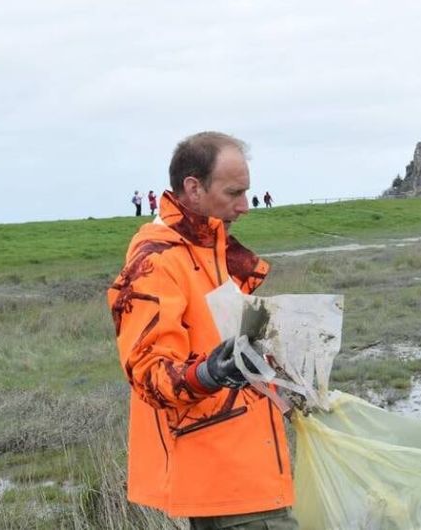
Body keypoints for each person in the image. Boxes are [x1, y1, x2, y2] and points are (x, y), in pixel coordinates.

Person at [106, 132, 297, 529]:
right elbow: (149, 375)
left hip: (252, 467)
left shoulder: (211, 251)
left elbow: (228, 346)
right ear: (193, 188)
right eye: (234, 193)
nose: (245, 206)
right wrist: (209, 373)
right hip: (221, 478)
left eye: (247, 193)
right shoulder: (157, 262)